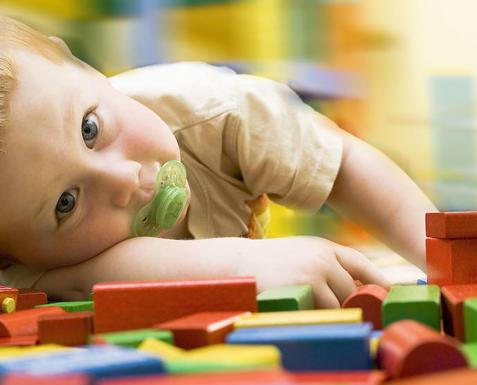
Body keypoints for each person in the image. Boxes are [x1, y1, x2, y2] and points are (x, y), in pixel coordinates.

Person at [0, 15, 437, 308]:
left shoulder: (213, 110)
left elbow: (342, 167)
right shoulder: (25, 264)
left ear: (84, 66)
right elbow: (84, 279)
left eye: (90, 129)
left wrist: (444, 259)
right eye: (66, 203)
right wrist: (241, 266)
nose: (125, 179)